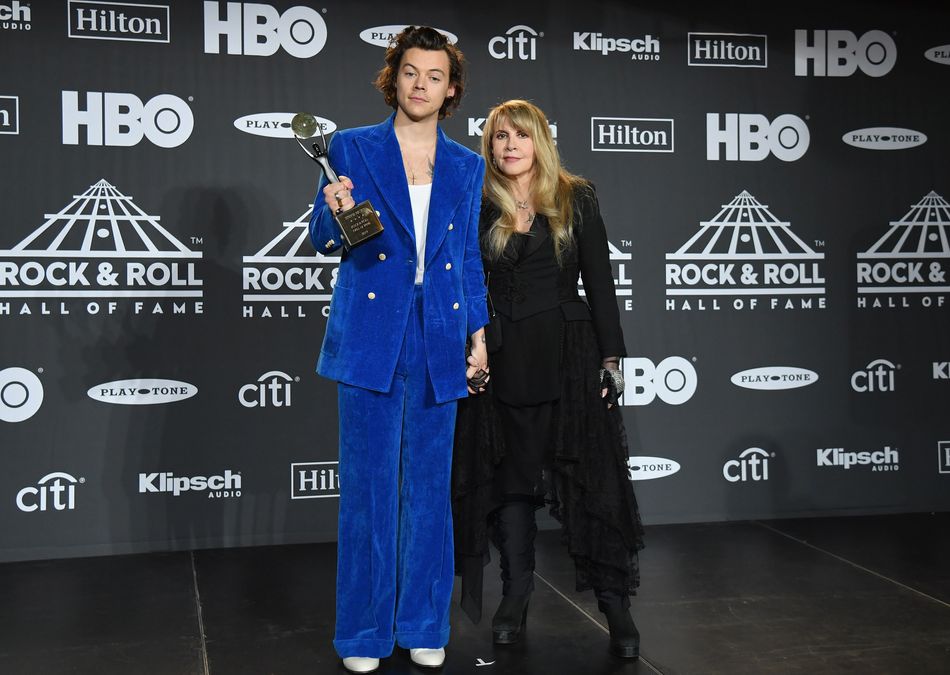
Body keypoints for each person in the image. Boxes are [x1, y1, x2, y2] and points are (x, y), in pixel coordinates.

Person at [308, 26, 488, 674]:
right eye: (410, 72)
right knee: (367, 490)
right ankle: (362, 631)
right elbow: (324, 240)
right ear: (395, 78)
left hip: (439, 332)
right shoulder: (351, 147)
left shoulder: (467, 165)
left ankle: (422, 622)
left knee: (429, 492)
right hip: (369, 334)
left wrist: (479, 333)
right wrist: (332, 209)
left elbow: (466, 255)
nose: (421, 85)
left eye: (434, 76)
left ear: (451, 87)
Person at [453, 99, 645, 659]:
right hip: (501, 362)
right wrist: (472, 346)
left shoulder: (574, 195)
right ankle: (516, 596)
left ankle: (615, 604)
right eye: (498, 137)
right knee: (510, 484)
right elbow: (465, 282)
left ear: (540, 141)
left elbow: (601, 284)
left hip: (568, 357)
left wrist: (611, 361)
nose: (508, 146)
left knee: (593, 482)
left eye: (520, 136)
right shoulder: (478, 201)